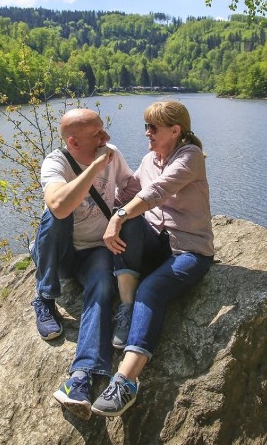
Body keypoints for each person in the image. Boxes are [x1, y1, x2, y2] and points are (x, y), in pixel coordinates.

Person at [93, 100, 214, 417]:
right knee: (128, 218)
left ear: (175, 131)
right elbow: (130, 191)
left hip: (189, 249)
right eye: (146, 126)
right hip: (157, 244)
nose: (147, 132)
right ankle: (127, 309)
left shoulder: (190, 157)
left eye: (153, 127)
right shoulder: (149, 159)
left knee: (153, 290)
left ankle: (126, 381)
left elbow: (156, 192)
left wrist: (118, 216)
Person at [30, 108, 143, 420]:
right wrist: (93, 168)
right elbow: (59, 204)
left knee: (103, 289)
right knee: (54, 216)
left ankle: (80, 379)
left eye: (103, 130)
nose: (105, 138)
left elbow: (132, 187)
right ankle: (45, 295)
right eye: (97, 134)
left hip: (97, 252)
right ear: (73, 141)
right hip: (65, 253)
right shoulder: (55, 162)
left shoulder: (112, 153)